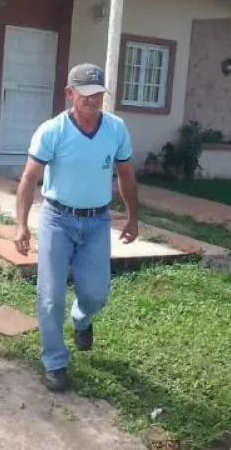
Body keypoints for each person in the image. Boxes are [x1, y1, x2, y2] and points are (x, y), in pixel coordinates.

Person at [13, 63, 140, 392]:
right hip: (58, 219)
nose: (93, 100)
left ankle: (81, 319)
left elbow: (126, 174)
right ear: (70, 94)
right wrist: (21, 225)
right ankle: (55, 362)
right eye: (85, 94)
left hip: (97, 221)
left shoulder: (116, 129)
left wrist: (132, 216)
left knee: (96, 294)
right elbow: (29, 179)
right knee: (51, 296)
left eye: (98, 93)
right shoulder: (52, 131)